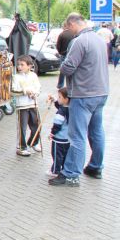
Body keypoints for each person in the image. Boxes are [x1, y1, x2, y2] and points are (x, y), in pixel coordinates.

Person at [50, 14, 109, 186]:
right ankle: (96, 166)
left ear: (72, 24)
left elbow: (68, 68)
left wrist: (61, 62)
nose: (69, 32)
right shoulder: (99, 39)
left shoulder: (79, 41)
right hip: (101, 93)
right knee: (96, 131)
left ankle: (70, 173)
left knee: (77, 135)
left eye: (68, 28)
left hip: (83, 94)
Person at [11, 55, 41, 156]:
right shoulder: (16, 77)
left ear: (29, 66)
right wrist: (25, 91)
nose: (19, 67)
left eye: (22, 65)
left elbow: (38, 87)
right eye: (18, 65)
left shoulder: (34, 76)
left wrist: (35, 93)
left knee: (37, 125)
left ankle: (33, 143)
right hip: (22, 106)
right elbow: (13, 91)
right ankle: (21, 147)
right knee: (22, 127)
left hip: (33, 104)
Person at [47, 87, 70, 178]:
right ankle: (64, 168)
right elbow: (60, 105)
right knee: (65, 155)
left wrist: (52, 133)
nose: (58, 98)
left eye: (60, 97)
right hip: (67, 139)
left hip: (59, 139)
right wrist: (55, 100)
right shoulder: (71, 109)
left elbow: (57, 125)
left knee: (56, 155)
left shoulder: (61, 112)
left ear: (66, 99)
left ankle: (55, 170)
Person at [55, 22, 75, 89]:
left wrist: (60, 52)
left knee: (62, 70)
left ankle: (60, 85)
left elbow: (58, 46)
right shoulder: (74, 34)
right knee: (72, 70)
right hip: (72, 54)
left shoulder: (62, 34)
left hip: (63, 54)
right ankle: (71, 85)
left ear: (64, 26)